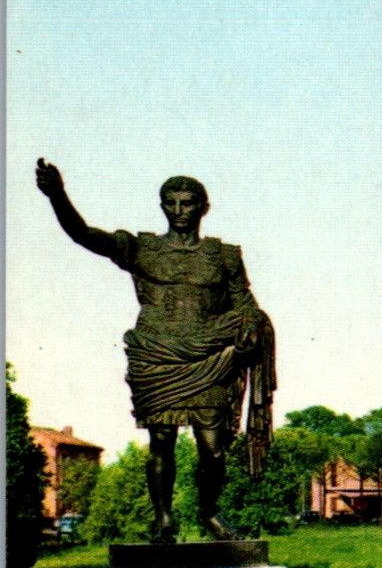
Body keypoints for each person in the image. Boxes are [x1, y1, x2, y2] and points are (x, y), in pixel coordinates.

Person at [36, 160, 275, 543]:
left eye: (187, 203)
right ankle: (163, 519)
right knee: (161, 441)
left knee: (213, 450)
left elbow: (244, 304)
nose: (179, 211)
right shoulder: (142, 249)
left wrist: (249, 326)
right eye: (171, 203)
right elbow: (83, 234)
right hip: (156, 355)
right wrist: (57, 196)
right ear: (162, 206)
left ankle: (210, 513)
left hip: (210, 356)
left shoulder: (224, 256)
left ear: (203, 208)